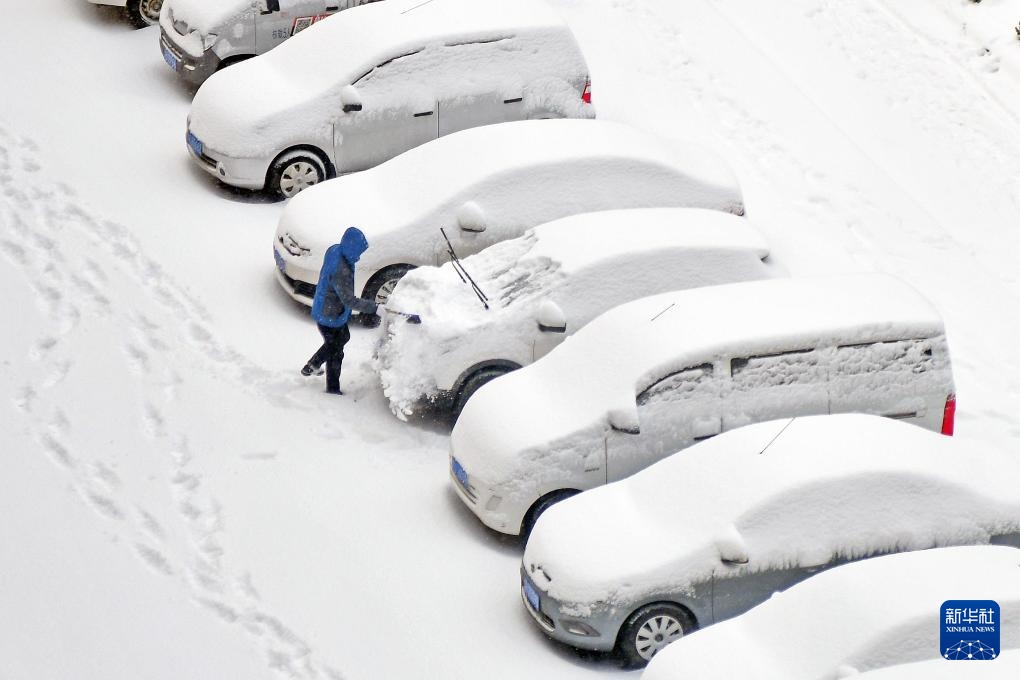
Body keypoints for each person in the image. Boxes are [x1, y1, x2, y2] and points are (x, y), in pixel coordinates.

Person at [301, 227, 384, 394]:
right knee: (336, 351)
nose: (359, 256)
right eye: (358, 252)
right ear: (350, 248)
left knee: (340, 340)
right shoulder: (342, 270)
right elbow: (349, 300)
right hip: (330, 315)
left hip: (325, 305)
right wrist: (374, 307)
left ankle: (313, 364)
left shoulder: (335, 250)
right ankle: (331, 388)